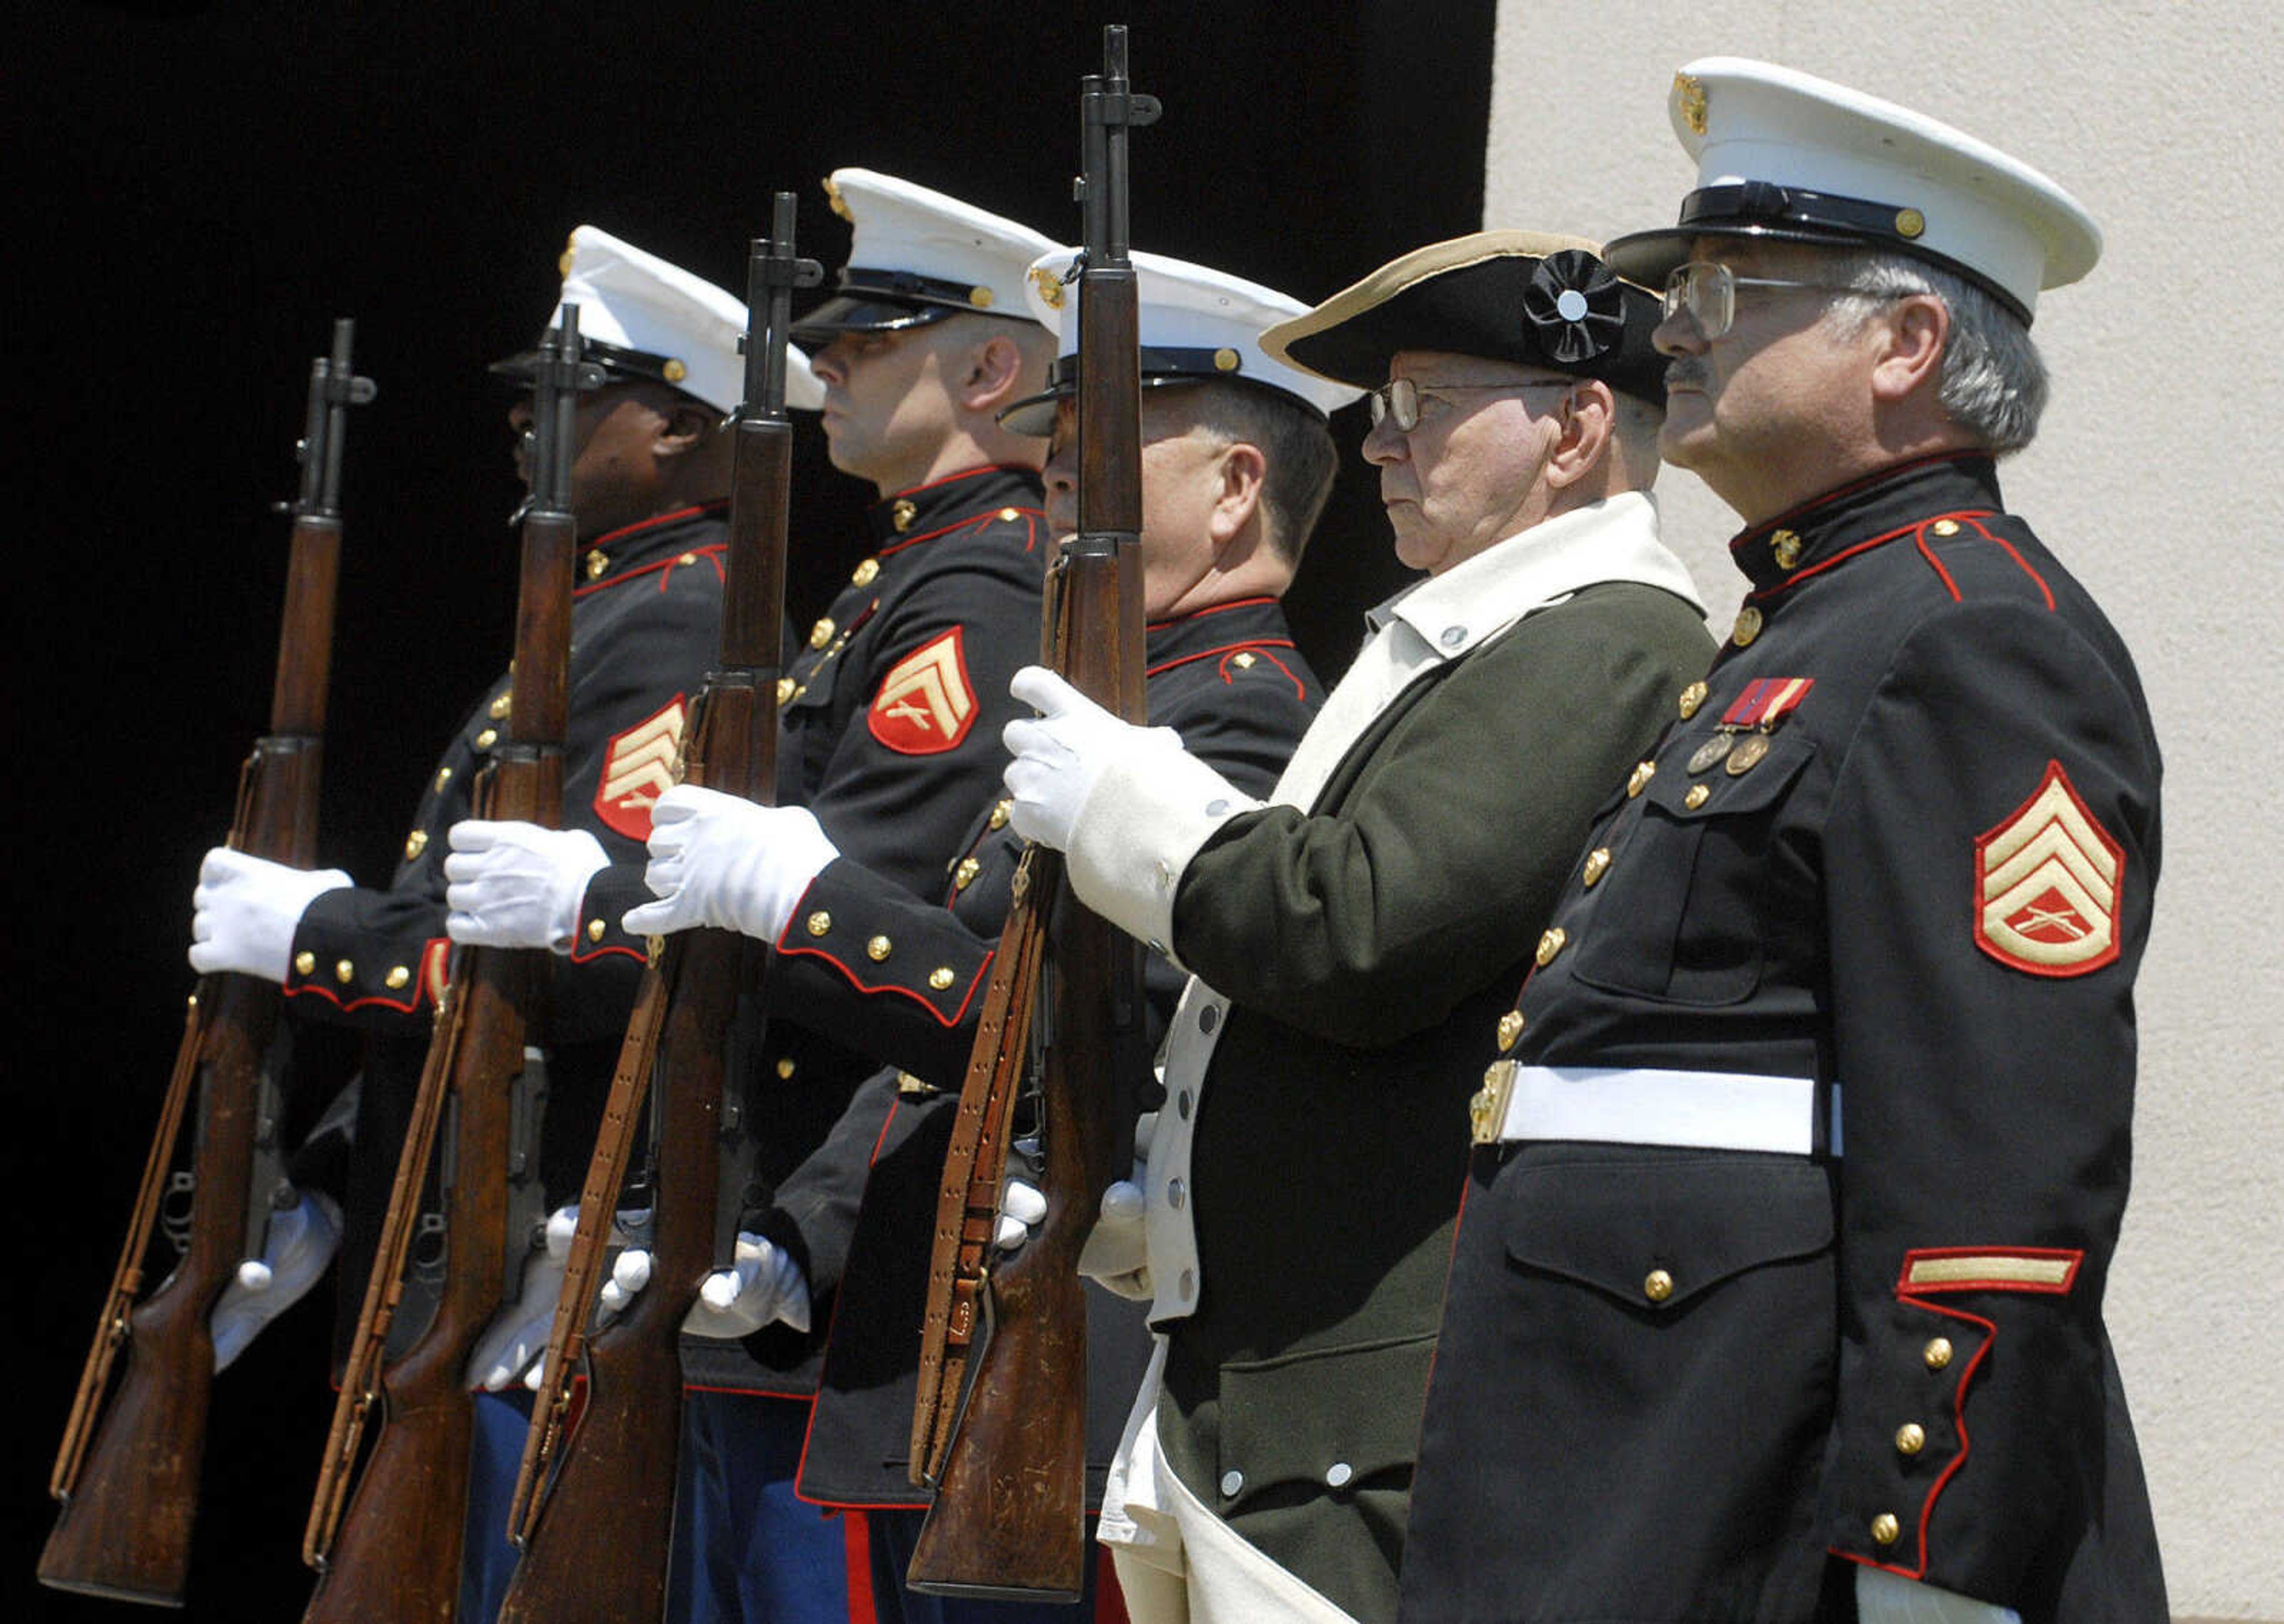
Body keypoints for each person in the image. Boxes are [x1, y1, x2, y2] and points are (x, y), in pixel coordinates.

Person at [1395, 59, 2167, 1624]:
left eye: (1733, 287)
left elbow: (1998, 1157)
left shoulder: (1969, 642)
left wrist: (1928, 1554)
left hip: (1753, 1503)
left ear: (1908, 341)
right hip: (1637, 1464)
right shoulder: (1807, 629)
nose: (1676, 326)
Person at [625, 245, 1358, 1623]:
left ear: (1236, 487)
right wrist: (806, 1232)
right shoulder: (1123, 716)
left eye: (1098, 463)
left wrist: (809, 900)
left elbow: (1090, 1031)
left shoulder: (1238, 716)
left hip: (1063, 1344)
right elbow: (949, 1060)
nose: (1061, 496)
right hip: (946, 1330)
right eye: (1059, 462)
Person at [998, 232, 1714, 1623]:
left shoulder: (1606, 632)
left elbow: (1365, 925)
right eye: (1380, 410)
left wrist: (1141, 814)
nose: (1380, 445)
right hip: (1273, 1394)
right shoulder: (1490, 631)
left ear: (1573, 430)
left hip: (1358, 1415)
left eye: (1424, 405)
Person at [186, 224, 827, 1617]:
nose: (526, 416)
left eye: (572, 390)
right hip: (461, 1212)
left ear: (673, 423)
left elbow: (584, 954)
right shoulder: (615, 610)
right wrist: (333, 1158)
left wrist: (318, 934)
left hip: (539, 1235)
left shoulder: (678, 625)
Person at [451, 169, 1065, 1624]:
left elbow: (865, 890)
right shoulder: (903, 573)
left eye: (869, 342)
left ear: (990, 368)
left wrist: (594, 905)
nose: (828, 366)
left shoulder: (973, 587)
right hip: (763, 1227)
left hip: (826, 1234)